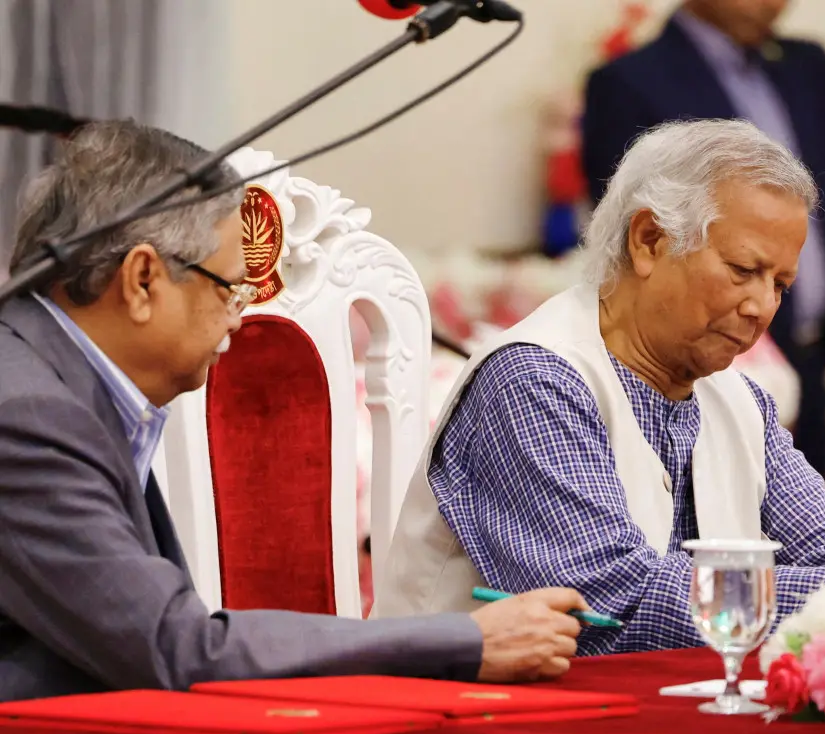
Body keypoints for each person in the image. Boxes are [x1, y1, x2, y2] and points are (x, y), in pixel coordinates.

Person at [0, 120, 587, 702]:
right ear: (143, 279)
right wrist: (463, 641)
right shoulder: (26, 416)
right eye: (230, 288)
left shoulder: (51, 378)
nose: (239, 316)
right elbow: (174, 645)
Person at [374, 119, 825, 655]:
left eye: (780, 285)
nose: (763, 307)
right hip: (467, 722)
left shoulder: (741, 402)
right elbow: (611, 610)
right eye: (744, 270)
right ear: (649, 240)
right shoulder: (535, 381)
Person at [580, 0, 825, 478]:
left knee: (807, 533)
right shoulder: (632, 81)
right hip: (710, 362)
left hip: (814, 354)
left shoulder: (805, 66)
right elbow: (625, 235)